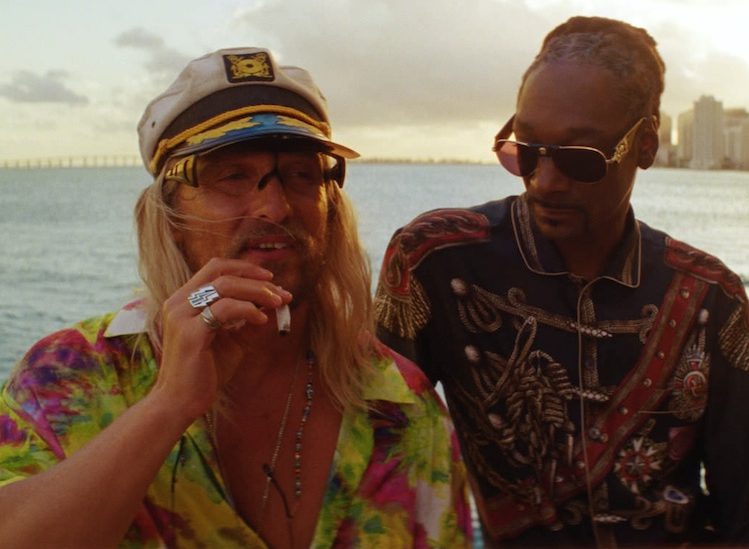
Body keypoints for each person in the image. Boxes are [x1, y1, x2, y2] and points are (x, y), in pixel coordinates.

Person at [0, 47, 472, 547]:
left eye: (302, 174)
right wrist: (168, 405)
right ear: (170, 217)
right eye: (232, 176)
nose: (275, 206)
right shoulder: (69, 376)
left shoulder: (400, 405)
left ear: (331, 209)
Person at [375, 16, 749, 547]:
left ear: (645, 145)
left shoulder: (712, 297)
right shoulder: (437, 261)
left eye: (579, 159)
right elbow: (381, 466)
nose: (545, 182)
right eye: (526, 150)